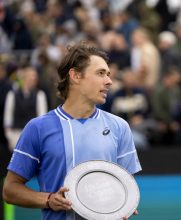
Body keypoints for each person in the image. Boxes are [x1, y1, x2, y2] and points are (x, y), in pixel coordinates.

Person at [2, 42, 142, 220]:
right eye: (100, 73)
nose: (109, 81)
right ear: (75, 76)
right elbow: (10, 190)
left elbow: (125, 186)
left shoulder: (119, 127)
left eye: (108, 74)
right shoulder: (38, 128)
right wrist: (48, 199)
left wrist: (123, 204)